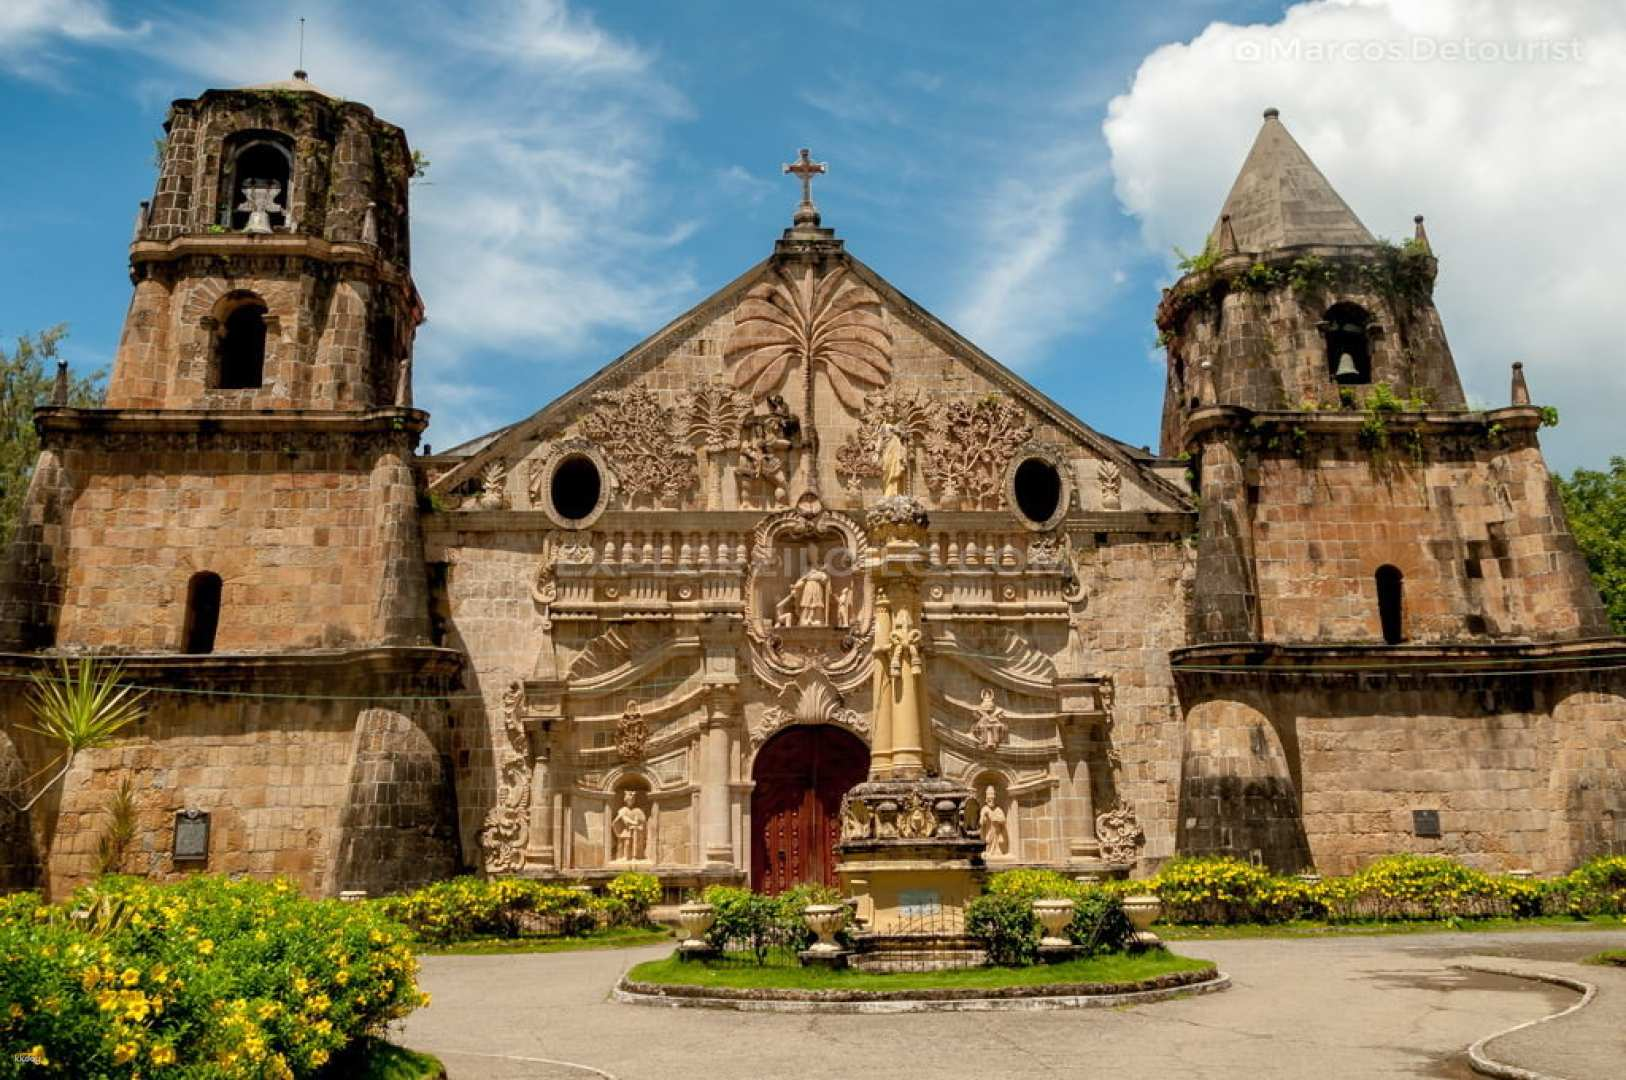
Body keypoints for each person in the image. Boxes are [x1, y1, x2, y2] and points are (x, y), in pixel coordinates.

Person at [611, 790, 647, 862]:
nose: (631, 802)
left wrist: (638, 825)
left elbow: (643, 820)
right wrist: (634, 823)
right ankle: (622, 856)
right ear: (626, 800)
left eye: (632, 800)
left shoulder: (637, 810)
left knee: (629, 843)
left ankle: (632, 856)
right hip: (624, 830)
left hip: (634, 831)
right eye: (629, 800)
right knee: (622, 844)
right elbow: (624, 819)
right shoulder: (623, 809)